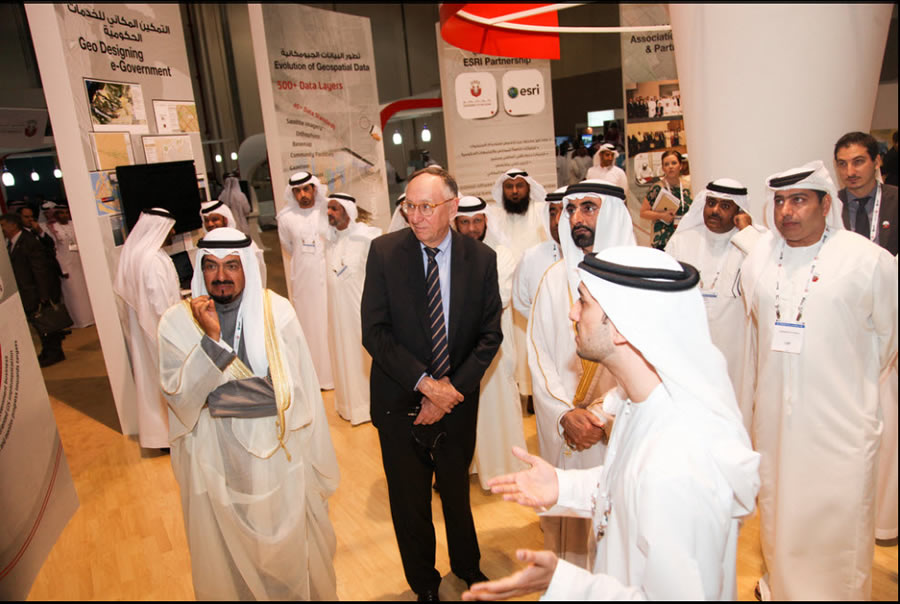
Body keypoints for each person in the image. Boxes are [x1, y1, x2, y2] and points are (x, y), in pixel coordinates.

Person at [462, 246, 761, 601]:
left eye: (584, 302)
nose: (572, 313)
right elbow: (628, 486)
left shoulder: (680, 459)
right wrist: (563, 486)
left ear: (622, 325)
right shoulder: (642, 404)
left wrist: (565, 584)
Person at [739, 160, 898, 600]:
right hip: (776, 419)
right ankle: (782, 587)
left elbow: (889, 337)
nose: (787, 211)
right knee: (780, 509)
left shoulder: (869, 260)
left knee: (839, 518)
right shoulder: (760, 261)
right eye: (779, 201)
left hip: (842, 418)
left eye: (799, 200)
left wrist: (842, 379)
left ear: (826, 204)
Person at [157, 227, 339, 600]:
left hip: (276, 458)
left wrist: (216, 398)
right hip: (211, 461)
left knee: (285, 556)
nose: (220, 276)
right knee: (224, 558)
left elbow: (287, 393)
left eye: (231, 266)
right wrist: (211, 342)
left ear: (248, 269)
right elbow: (180, 399)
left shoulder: (277, 313)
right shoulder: (175, 322)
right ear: (200, 269)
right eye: (211, 266)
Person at [361, 166, 502, 601]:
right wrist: (426, 385)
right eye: (409, 206)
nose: (415, 216)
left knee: (458, 493)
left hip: (456, 402)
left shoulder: (480, 259)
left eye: (425, 207)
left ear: (452, 207)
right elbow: (375, 332)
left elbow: (489, 336)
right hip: (399, 401)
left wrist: (448, 393)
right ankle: (424, 584)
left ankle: (468, 567)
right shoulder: (384, 253)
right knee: (410, 503)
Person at [526, 180, 635, 568]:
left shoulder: (642, 277)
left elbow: (648, 361)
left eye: (589, 208)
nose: (577, 218)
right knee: (571, 529)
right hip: (565, 426)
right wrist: (563, 413)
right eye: (571, 209)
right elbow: (538, 356)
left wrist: (599, 415)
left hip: (619, 423)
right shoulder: (554, 279)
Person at [454, 195, 527, 489]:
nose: (472, 228)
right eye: (464, 222)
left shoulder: (503, 254)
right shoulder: (449, 252)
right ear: (455, 223)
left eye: (477, 221)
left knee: (495, 401)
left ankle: (500, 466)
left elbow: (499, 300)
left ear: (486, 221)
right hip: (458, 346)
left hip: (493, 343)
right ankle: (468, 464)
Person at [665, 179, 761, 392]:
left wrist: (746, 231)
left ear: (739, 211)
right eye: (711, 203)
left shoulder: (751, 242)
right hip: (690, 346)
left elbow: (768, 273)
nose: (715, 211)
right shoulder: (682, 240)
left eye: (725, 206)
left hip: (735, 350)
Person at [113, 208, 182, 449]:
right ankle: (168, 436)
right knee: (166, 383)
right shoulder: (151, 259)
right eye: (170, 227)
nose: (173, 232)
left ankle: (161, 435)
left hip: (146, 330)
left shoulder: (138, 254)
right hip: (160, 331)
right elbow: (161, 303)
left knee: (151, 383)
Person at [487, 168, 549, 415]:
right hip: (505, 293)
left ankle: (535, 392)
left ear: (528, 188)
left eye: (519, 186)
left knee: (533, 342)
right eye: (509, 187)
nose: (514, 191)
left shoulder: (540, 212)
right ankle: (515, 390)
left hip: (534, 290)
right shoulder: (496, 217)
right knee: (510, 344)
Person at [324, 192, 381, 425]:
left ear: (347, 211)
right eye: (328, 208)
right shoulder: (330, 239)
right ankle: (347, 406)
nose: (329, 213)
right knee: (341, 354)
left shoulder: (367, 238)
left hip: (359, 312)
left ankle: (366, 407)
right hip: (337, 314)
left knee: (360, 358)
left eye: (334, 208)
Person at [277, 170, 333, 389]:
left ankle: (336, 375)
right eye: (297, 191)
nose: (302, 194)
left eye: (305, 189)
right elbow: (288, 246)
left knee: (331, 321)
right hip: (304, 279)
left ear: (314, 189)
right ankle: (317, 377)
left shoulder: (328, 209)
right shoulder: (285, 218)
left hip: (328, 275)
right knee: (310, 325)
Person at [2, 212, 66, 366]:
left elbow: (40, 269)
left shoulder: (28, 241)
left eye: (3, 225)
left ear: (13, 225)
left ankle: (55, 352)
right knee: (39, 324)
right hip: (27, 292)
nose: (2, 229)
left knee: (47, 321)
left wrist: (44, 295)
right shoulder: (12, 243)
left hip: (36, 292)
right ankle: (47, 350)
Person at [834, 131, 898, 255]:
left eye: (858, 161)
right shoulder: (830, 206)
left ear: (877, 162)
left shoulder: (895, 201)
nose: (850, 172)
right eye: (842, 164)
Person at [512, 187, 564, 321]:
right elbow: (521, 302)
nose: (557, 221)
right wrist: (546, 325)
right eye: (552, 213)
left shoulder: (593, 258)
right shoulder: (531, 257)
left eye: (564, 211)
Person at [42, 201, 94, 329]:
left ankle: (91, 317)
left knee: (86, 291)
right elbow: (53, 248)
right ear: (57, 214)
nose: (64, 215)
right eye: (61, 213)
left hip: (79, 261)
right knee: (73, 293)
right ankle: (79, 321)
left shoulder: (73, 224)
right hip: (65, 263)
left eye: (66, 212)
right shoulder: (52, 228)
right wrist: (61, 268)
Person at [200, 199, 267, 286]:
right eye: (207, 220)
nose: (210, 224)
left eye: (215, 219)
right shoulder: (204, 247)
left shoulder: (242, 242)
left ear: (226, 220)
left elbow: (257, 274)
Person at [640, 149, 693, 250]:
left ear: (680, 166)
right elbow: (643, 212)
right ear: (663, 168)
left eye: (674, 163)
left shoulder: (688, 187)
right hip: (662, 240)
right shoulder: (657, 188)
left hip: (684, 238)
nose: (670, 167)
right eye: (666, 164)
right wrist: (661, 215)